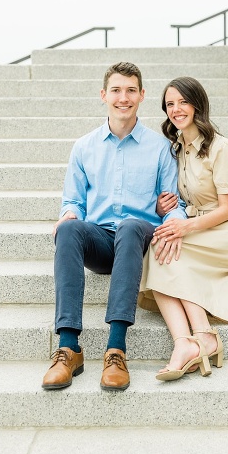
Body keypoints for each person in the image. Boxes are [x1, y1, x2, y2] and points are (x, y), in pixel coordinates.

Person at [42, 62, 186, 392]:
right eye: (117, 90)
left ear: (142, 95)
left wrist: (176, 224)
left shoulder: (160, 147)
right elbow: (73, 202)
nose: (124, 98)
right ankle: (68, 348)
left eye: (131, 90)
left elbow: (173, 203)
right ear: (104, 95)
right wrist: (68, 214)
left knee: (133, 225)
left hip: (138, 240)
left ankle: (116, 349)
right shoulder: (84, 147)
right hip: (101, 240)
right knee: (68, 229)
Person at [137, 76, 228, 381]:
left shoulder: (222, 147)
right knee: (161, 247)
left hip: (226, 230)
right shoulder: (174, 148)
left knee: (170, 249)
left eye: (183, 102)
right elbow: (175, 197)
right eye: (170, 104)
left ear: (197, 104)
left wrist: (185, 227)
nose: (176, 109)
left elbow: (226, 209)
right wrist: (165, 208)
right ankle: (195, 340)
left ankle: (196, 339)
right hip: (193, 223)